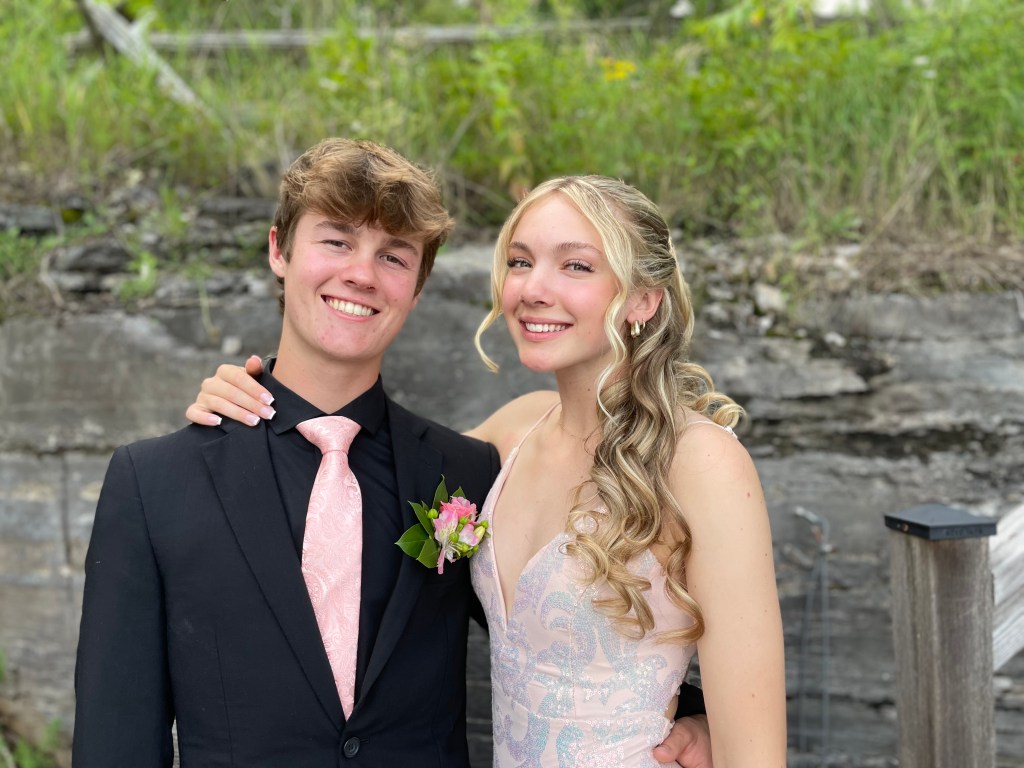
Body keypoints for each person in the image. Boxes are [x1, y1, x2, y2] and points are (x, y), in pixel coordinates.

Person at [75, 138, 713, 767]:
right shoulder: (154, 482)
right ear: (279, 250)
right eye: (336, 240)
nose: (361, 273)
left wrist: (691, 714)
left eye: (394, 256)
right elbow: (116, 734)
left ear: (419, 283)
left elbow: (554, 635)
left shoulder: (468, 472)